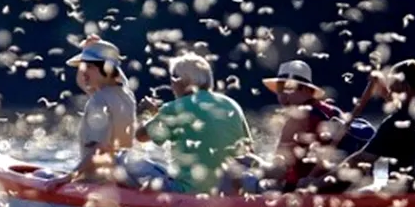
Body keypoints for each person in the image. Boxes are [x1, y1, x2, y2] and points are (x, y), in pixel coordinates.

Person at [302, 59, 415, 194]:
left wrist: (317, 183)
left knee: (357, 191)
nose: (390, 95)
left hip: (410, 196)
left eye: (392, 89)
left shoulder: (396, 123)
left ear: (405, 87)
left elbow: (359, 161)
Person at [60, 35, 182, 192]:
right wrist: (89, 50)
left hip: (97, 180)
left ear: (107, 68)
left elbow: (101, 149)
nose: (83, 71)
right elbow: (96, 79)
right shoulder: (126, 94)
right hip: (119, 176)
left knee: (45, 175)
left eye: (89, 66)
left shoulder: (99, 101)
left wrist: (68, 177)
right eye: (83, 66)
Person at [135, 51, 255, 195]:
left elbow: (141, 137)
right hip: (229, 190)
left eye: (173, 79)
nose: (171, 84)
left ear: (181, 80)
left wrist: (145, 114)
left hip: (188, 191)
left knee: (124, 159)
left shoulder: (175, 107)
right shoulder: (232, 105)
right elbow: (249, 152)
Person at [255, 59, 376, 192]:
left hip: (309, 191)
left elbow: (281, 168)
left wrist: (255, 172)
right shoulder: (333, 111)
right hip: (345, 187)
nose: (282, 96)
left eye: (289, 88)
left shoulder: (296, 120)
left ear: (307, 90)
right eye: (280, 89)